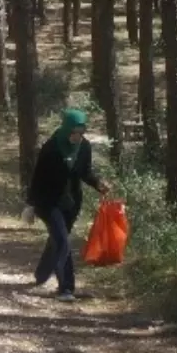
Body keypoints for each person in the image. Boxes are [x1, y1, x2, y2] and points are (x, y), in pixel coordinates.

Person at [23, 108, 112, 302]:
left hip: (71, 203)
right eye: (74, 132)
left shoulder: (84, 147)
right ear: (66, 129)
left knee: (57, 238)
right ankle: (66, 288)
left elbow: (85, 173)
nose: (78, 137)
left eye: (81, 132)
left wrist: (98, 184)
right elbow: (37, 178)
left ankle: (41, 274)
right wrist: (30, 205)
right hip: (48, 203)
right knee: (63, 241)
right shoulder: (51, 148)